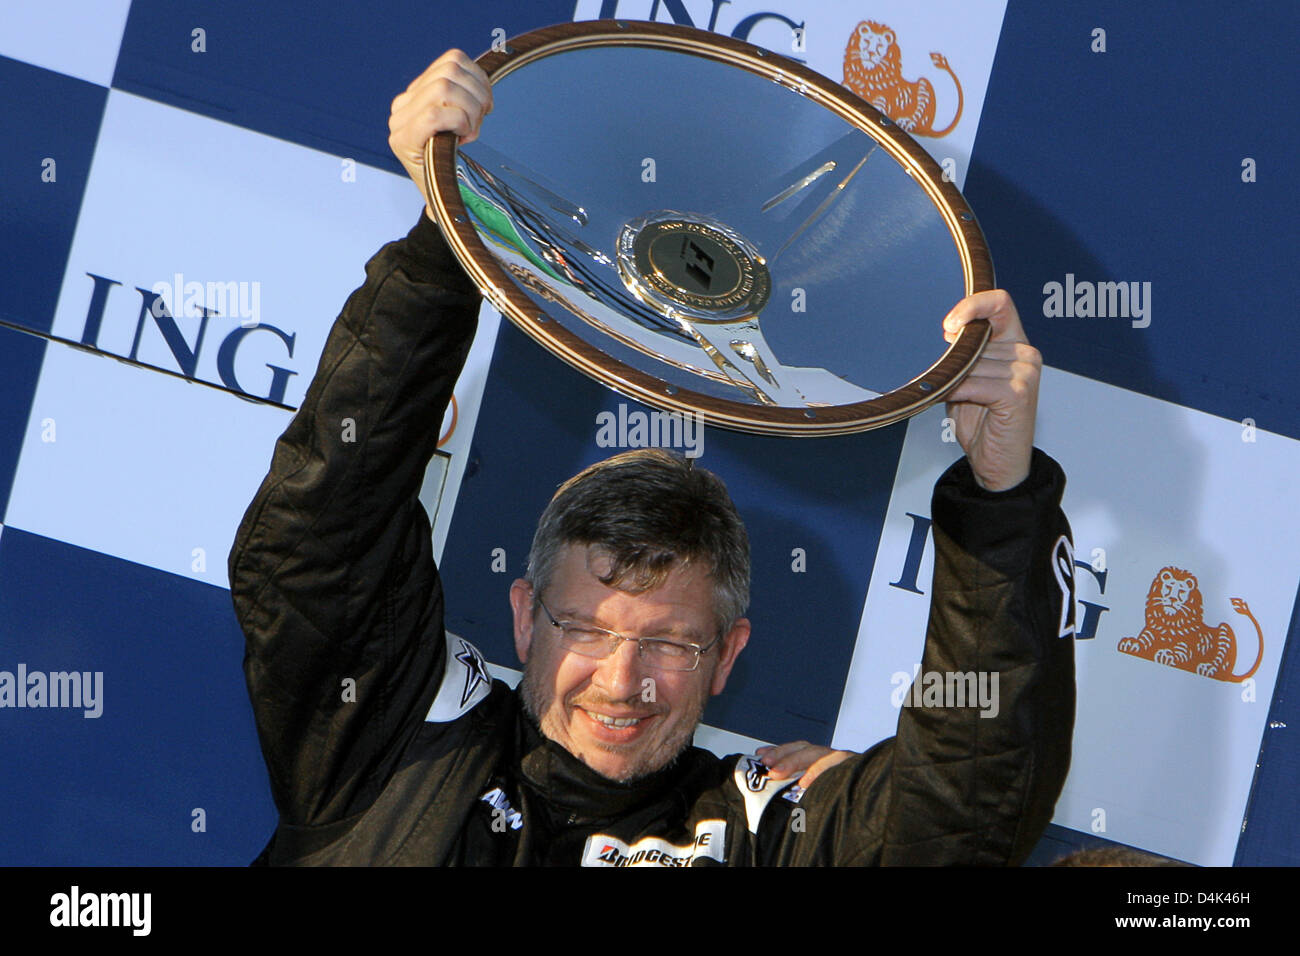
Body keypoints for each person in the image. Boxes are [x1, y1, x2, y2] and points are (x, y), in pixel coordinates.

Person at [230, 50, 1075, 866]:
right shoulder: (396, 729)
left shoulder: (758, 833)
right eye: (587, 628)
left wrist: (1001, 492)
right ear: (524, 618)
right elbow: (314, 541)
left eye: (673, 644)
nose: (622, 682)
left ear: (729, 656)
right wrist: (448, 242)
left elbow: (967, 812)